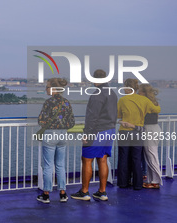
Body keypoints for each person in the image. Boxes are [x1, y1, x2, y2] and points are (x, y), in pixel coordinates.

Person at [71, 69, 117, 201]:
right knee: (102, 159)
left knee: (87, 160)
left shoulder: (97, 95)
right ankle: (102, 192)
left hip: (97, 131)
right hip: (110, 130)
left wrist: (87, 134)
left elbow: (92, 117)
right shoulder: (112, 93)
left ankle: (84, 192)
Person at [117, 79, 161, 190]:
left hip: (124, 131)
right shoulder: (143, 100)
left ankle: (123, 183)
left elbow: (117, 115)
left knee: (123, 157)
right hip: (138, 132)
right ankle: (137, 184)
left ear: (127, 88)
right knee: (136, 158)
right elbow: (157, 109)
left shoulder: (122, 100)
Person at [36, 78, 75, 204]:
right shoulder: (66, 102)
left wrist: (49, 124)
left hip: (50, 135)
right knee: (60, 165)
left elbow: (41, 120)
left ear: (53, 89)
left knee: (48, 166)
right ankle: (63, 193)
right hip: (63, 134)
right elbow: (72, 122)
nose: (46, 89)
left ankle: (46, 194)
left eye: (47, 87)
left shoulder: (48, 103)